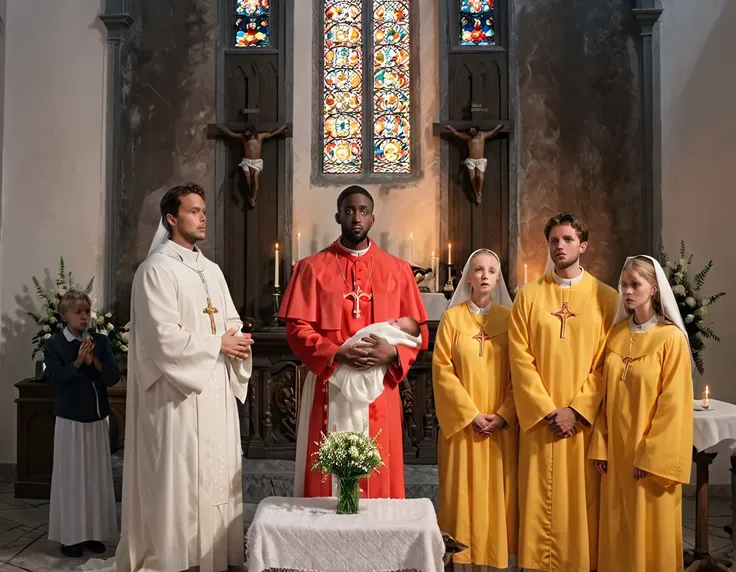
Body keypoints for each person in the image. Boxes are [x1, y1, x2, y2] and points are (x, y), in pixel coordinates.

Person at [85, 183, 254, 572]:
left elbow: (230, 322)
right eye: (194, 211)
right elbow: (161, 338)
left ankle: (212, 555)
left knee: (213, 473)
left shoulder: (211, 271)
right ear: (171, 219)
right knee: (179, 477)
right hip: (176, 398)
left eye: (204, 210)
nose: (203, 217)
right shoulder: (155, 270)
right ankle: (175, 556)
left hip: (213, 392)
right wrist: (218, 346)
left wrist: (240, 343)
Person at [278, 185, 429, 498]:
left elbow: (418, 333)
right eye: (349, 211)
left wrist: (393, 352)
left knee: (379, 470)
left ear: (373, 219)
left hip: (380, 387)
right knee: (326, 477)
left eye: (362, 211)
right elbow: (297, 328)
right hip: (328, 382)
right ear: (338, 216)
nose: (356, 217)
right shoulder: (311, 268)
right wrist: (336, 352)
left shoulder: (398, 271)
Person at [509, 212, 618, 572]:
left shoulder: (607, 298)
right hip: (542, 423)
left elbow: (607, 360)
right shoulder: (527, 296)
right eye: (554, 240)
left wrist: (577, 409)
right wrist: (546, 409)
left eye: (568, 239)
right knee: (539, 501)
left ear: (583, 246)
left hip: (581, 424)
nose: (560, 246)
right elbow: (519, 358)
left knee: (581, 503)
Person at [589, 255, 693, 572]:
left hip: (647, 461)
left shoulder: (671, 339)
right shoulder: (616, 335)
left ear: (653, 289)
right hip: (617, 457)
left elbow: (674, 404)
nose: (628, 291)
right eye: (624, 284)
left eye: (636, 284)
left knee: (649, 537)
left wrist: (650, 456)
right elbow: (602, 395)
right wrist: (601, 445)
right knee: (618, 530)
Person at [433, 249, 518, 572]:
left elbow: (520, 373)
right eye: (478, 269)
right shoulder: (452, 320)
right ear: (468, 276)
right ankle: (460, 564)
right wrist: (470, 414)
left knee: (497, 501)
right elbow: (443, 372)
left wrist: (503, 415)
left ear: (498, 279)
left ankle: (496, 564)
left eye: (492, 271)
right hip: (463, 429)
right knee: (461, 499)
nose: (484, 275)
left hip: (499, 431)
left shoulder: (510, 321)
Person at [44, 290, 120, 558]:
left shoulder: (100, 341)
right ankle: (70, 537)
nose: (85, 317)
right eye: (78, 312)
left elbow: (112, 377)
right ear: (65, 316)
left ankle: (93, 533)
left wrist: (93, 361)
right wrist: (77, 362)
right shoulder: (54, 345)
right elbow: (53, 378)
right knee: (72, 479)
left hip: (96, 418)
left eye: (87, 311)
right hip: (70, 420)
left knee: (95, 478)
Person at [329, 316, 422, 436]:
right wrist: (335, 352)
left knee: (378, 445)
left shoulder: (403, 325)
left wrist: (395, 352)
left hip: (384, 388)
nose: (394, 320)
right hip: (330, 374)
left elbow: (416, 339)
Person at [215, 123, 288, 208]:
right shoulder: (243, 138)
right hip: (247, 161)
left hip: (257, 162)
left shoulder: (260, 137)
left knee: (255, 177)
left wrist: (283, 128)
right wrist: (220, 127)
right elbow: (231, 134)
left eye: (248, 133)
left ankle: (254, 197)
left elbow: (272, 134)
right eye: (246, 133)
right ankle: (250, 193)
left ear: (252, 132)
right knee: (248, 177)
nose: (247, 135)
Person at [444, 124, 503, 205]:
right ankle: (476, 193)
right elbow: (457, 134)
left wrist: (498, 127)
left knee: (480, 177)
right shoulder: (468, 138)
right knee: (473, 178)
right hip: (471, 160)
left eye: (473, 131)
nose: (472, 133)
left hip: (480, 160)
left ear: (476, 130)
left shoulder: (482, 136)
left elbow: (492, 132)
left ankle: (479, 191)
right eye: (470, 131)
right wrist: (451, 129)